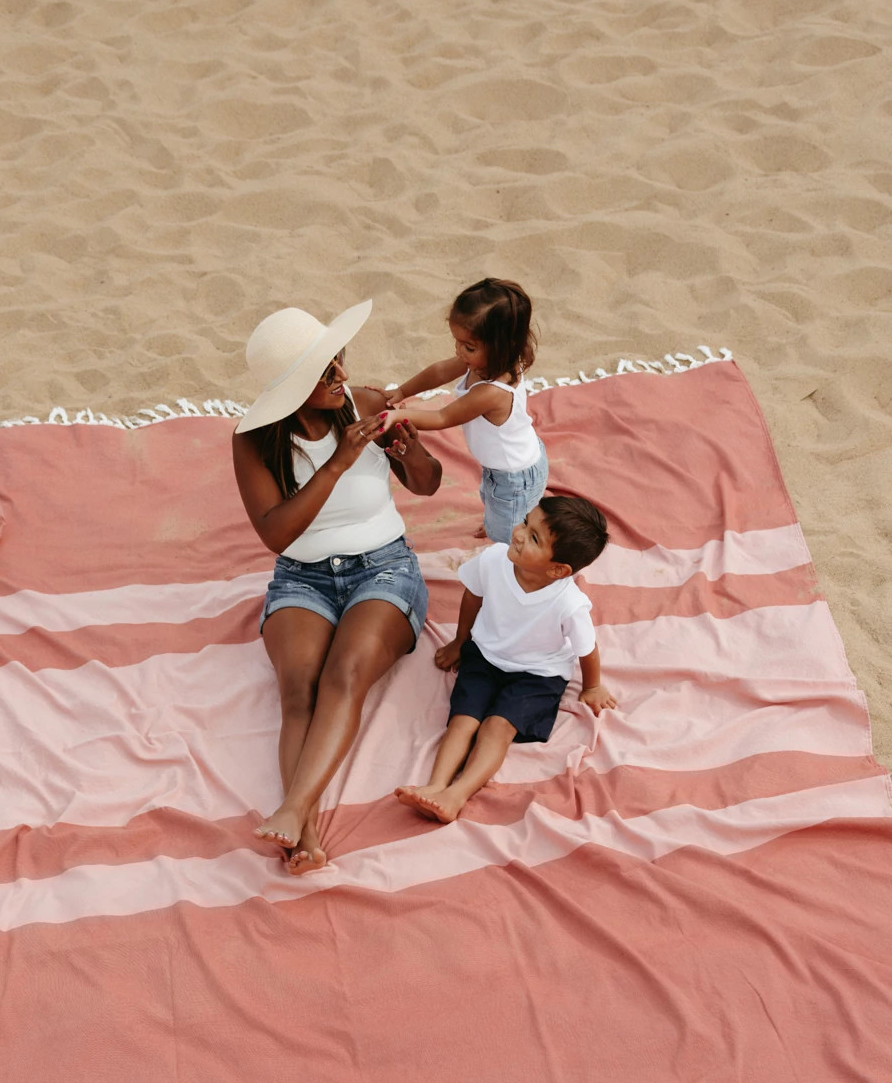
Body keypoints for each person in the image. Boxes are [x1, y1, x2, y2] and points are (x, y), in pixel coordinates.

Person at [233, 298, 442, 873]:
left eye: (339, 361)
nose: (342, 377)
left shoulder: (366, 404)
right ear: (293, 387)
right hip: (302, 576)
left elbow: (428, 484)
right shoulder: (255, 439)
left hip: (385, 567)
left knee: (343, 675)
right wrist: (336, 464)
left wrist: (408, 452)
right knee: (298, 688)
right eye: (326, 372)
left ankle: (294, 811)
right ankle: (306, 842)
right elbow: (276, 534)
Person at [396, 495, 615, 825]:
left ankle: (456, 796)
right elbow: (473, 596)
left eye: (534, 537)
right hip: (485, 656)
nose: (519, 533)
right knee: (463, 720)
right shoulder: (495, 559)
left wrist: (593, 686)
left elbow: (587, 647)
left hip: (538, 675)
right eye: (526, 522)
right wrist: (459, 641)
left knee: (497, 726)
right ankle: (435, 786)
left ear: (558, 569)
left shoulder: (569, 603)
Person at [384, 278, 547, 544]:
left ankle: (507, 530)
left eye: (468, 347)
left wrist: (397, 415)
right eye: (457, 341)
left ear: (501, 347)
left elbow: (442, 417)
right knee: (494, 502)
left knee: (511, 540)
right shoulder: (484, 361)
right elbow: (439, 372)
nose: (459, 351)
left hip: (514, 477)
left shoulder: (492, 391)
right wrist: (402, 392)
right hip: (505, 465)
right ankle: (502, 521)